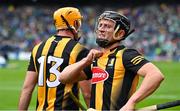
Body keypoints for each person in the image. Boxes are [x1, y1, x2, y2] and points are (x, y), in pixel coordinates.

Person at [59, 11, 164, 110]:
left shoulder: (125, 55)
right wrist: (86, 61)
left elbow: (155, 75)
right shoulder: (96, 59)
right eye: (100, 25)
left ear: (120, 33)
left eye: (107, 26)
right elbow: (63, 78)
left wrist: (132, 102)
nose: (101, 29)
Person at [18, 7, 102, 110]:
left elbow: (27, 89)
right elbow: (87, 94)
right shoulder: (79, 50)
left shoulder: (38, 48)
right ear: (75, 23)